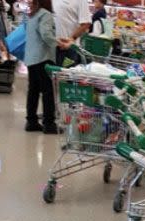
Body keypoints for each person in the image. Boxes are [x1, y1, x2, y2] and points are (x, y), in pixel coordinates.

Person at [24, 0, 58, 133]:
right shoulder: (46, 14)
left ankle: (31, 121)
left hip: (31, 59)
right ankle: (49, 124)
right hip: (44, 58)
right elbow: (46, 34)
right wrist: (59, 43)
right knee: (48, 92)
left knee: (33, 90)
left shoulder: (33, 15)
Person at [52, 0, 91, 67]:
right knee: (48, 75)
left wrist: (72, 39)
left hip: (69, 48)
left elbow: (86, 23)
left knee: (65, 75)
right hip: (51, 47)